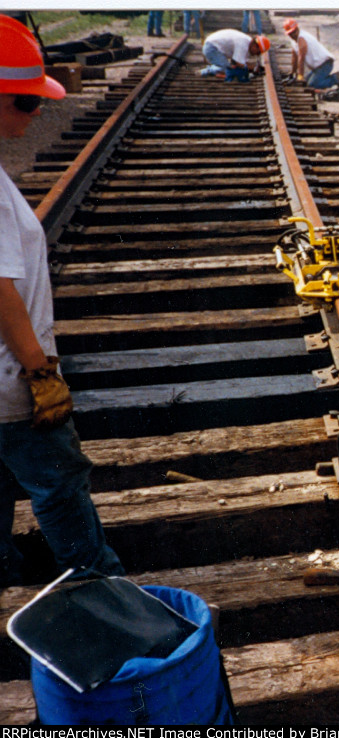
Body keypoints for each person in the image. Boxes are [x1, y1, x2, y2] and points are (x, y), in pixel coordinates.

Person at [0, 16, 124, 587]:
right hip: (11, 381)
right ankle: (100, 592)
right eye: (26, 101)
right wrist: (40, 372)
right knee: (59, 484)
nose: (36, 112)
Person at [281, 18, 339, 93]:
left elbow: (301, 59)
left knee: (312, 85)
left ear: (297, 29)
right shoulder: (294, 41)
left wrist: (300, 76)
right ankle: (323, 78)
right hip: (317, 67)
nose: (293, 35)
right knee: (306, 82)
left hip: (325, 64)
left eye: (294, 32)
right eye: (290, 33)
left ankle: (335, 79)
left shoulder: (302, 38)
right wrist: (292, 73)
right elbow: (294, 58)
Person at [199, 29, 269, 82]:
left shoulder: (248, 43)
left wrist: (251, 68)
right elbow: (238, 63)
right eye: (258, 52)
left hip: (214, 47)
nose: (256, 54)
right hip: (211, 48)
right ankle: (206, 71)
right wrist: (253, 68)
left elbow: (238, 63)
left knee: (232, 69)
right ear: (255, 46)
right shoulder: (243, 44)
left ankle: (215, 70)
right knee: (226, 69)